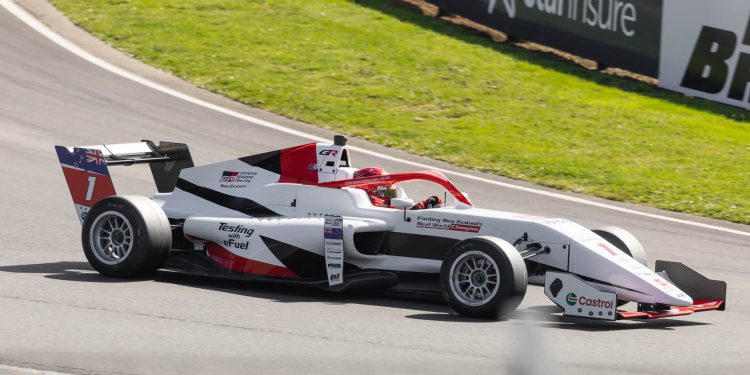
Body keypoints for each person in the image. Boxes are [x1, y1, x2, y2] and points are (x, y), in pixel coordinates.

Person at [352, 167, 442, 210]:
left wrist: (422, 206)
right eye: (385, 188)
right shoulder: (356, 207)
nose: (390, 191)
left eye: (389, 187)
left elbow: (407, 208)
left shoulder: (393, 199)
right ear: (368, 189)